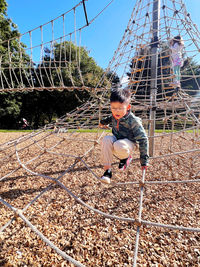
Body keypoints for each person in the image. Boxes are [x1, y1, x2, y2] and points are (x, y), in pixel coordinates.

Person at [99, 87, 149, 184]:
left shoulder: (133, 121)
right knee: (106, 139)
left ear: (128, 107)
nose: (116, 111)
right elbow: (110, 118)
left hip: (128, 143)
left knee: (119, 145)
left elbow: (143, 139)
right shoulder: (115, 115)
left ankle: (126, 158)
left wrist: (144, 161)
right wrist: (102, 122)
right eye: (113, 108)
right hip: (117, 140)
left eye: (120, 108)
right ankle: (107, 171)